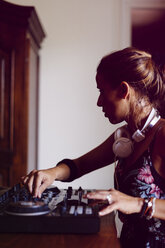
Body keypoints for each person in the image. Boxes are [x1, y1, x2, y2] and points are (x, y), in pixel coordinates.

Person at [22, 47, 165, 248]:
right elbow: (80, 165)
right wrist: (51, 173)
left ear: (124, 90)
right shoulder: (126, 136)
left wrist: (136, 203)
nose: (99, 102)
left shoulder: (162, 135)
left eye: (102, 91)